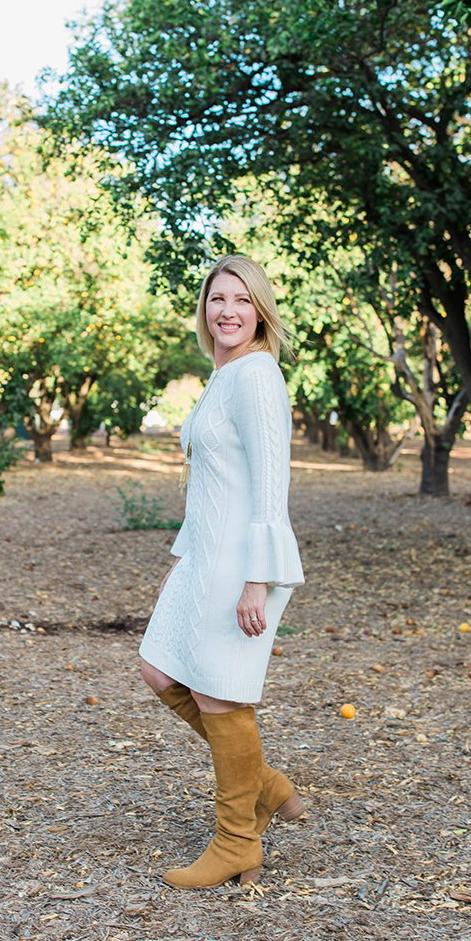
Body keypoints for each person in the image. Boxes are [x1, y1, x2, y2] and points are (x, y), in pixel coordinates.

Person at [139, 254, 306, 889]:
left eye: (241, 300)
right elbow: (211, 486)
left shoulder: (257, 376)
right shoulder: (224, 374)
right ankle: (262, 783)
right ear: (204, 311)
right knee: (159, 667)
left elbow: (270, 488)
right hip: (206, 557)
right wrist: (182, 562)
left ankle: (238, 839)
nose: (228, 311)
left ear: (260, 309)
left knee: (220, 693)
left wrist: (256, 578)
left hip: (241, 560)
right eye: (217, 300)